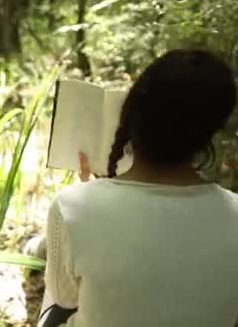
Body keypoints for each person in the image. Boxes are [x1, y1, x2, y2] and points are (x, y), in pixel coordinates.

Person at [38, 49, 238, 327]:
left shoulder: (74, 207)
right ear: (211, 131)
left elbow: (65, 298)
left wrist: (92, 200)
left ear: (131, 116)